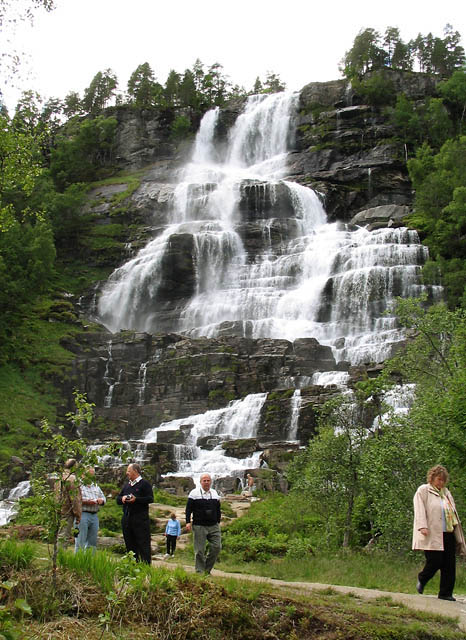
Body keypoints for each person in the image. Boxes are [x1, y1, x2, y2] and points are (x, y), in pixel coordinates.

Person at [413, 464, 466, 601]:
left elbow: (452, 513)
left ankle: (445, 593)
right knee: (435, 561)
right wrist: (422, 526)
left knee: (449, 564)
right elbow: (419, 510)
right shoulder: (423, 490)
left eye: (443, 480)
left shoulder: (446, 493)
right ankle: (422, 578)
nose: (441, 482)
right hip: (432, 532)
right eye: (438, 479)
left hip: (448, 532)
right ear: (432, 478)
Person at [116, 463, 154, 564]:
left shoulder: (144, 484)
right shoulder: (127, 486)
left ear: (135, 471)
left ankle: (146, 568)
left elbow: (150, 498)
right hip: (127, 519)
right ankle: (132, 567)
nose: (126, 473)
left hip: (140, 520)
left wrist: (136, 500)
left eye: (128, 471)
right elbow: (118, 499)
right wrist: (123, 498)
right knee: (130, 545)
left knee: (143, 545)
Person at [185, 473, 221, 575]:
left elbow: (218, 509)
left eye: (208, 480)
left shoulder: (214, 493)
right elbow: (188, 509)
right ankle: (200, 572)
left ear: (211, 482)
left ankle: (206, 569)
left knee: (217, 547)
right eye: (204, 481)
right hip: (199, 525)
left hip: (213, 525)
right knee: (199, 551)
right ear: (200, 482)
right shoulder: (194, 493)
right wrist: (188, 522)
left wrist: (218, 521)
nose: (206, 482)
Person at [75, 467, 106, 552]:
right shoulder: (78, 485)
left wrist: (101, 501)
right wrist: (87, 502)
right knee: (80, 540)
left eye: (92, 475)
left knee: (92, 542)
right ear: (83, 474)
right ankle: (77, 561)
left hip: (94, 515)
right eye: (89, 474)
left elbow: (103, 497)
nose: (91, 477)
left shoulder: (95, 486)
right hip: (82, 514)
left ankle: (89, 561)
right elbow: (75, 500)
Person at [57, 458, 82, 548]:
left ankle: (57, 555)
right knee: (64, 535)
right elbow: (75, 499)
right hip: (67, 510)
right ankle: (60, 557)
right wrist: (78, 514)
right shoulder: (72, 479)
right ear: (74, 466)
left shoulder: (60, 477)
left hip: (58, 509)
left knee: (60, 533)